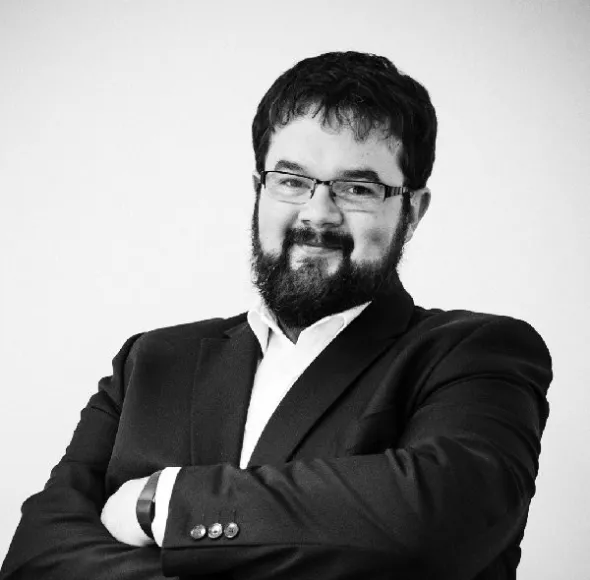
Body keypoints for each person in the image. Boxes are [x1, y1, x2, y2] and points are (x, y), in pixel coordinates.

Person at [0, 51, 552, 580]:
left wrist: (161, 502)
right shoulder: (151, 361)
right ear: (259, 190)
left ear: (412, 211)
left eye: (357, 188)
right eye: (292, 181)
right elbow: (36, 556)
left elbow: (435, 526)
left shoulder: (476, 354)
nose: (317, 213)